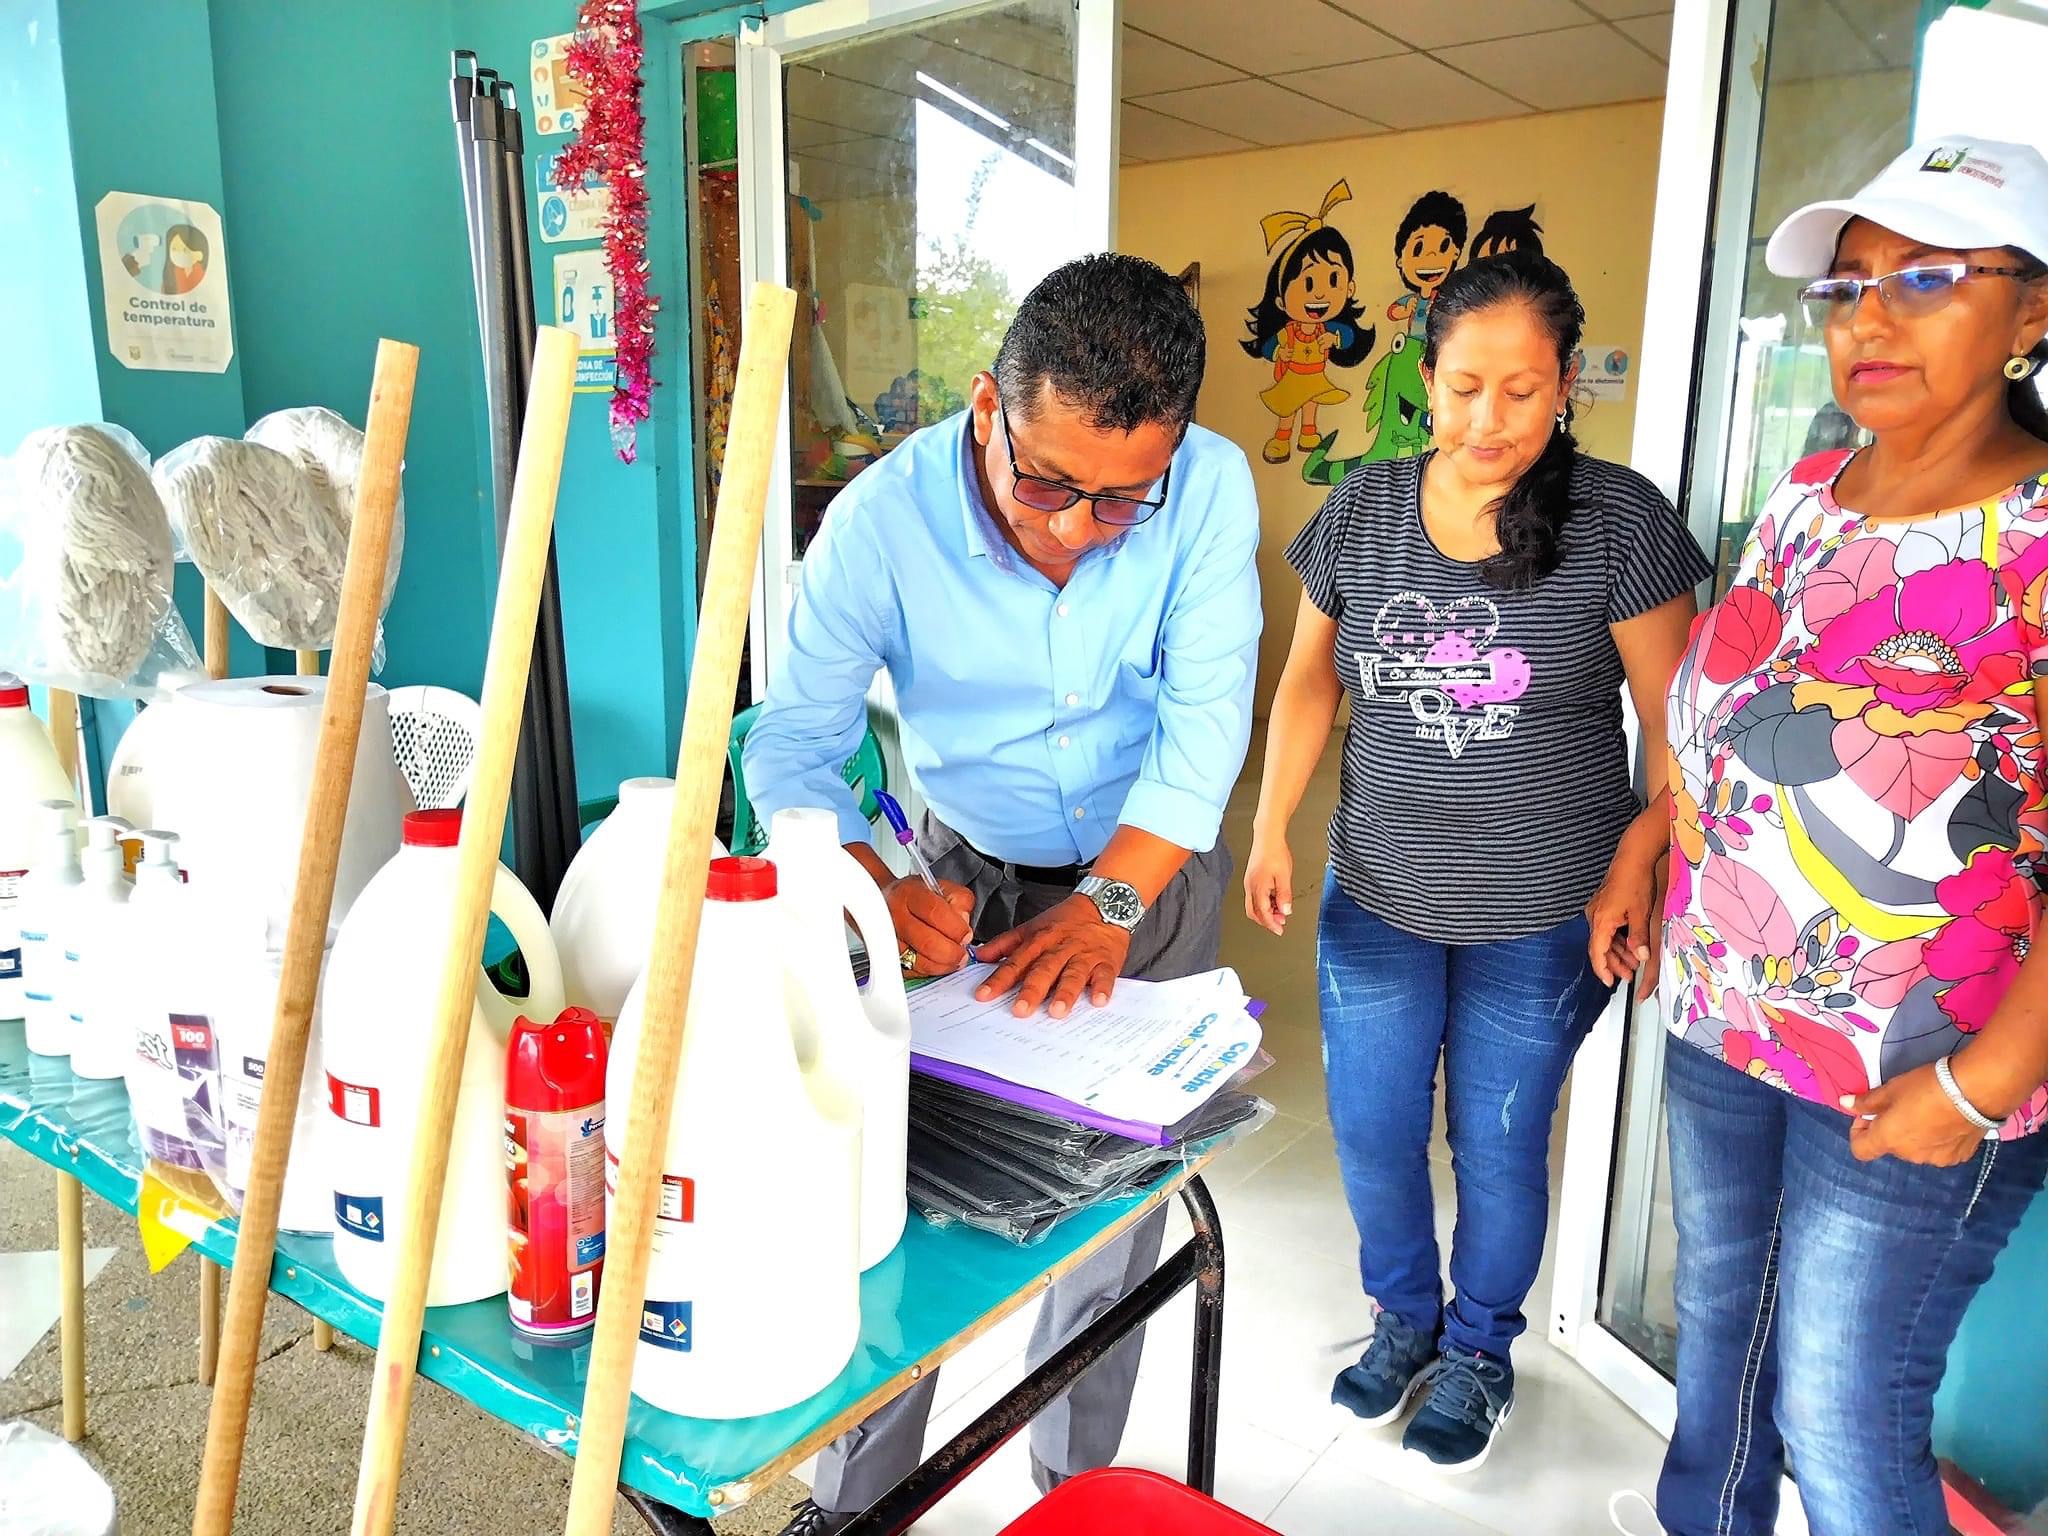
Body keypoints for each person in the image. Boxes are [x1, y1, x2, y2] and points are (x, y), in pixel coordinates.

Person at [742, 252, 1261, 1534]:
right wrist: (868, 883)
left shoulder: (1205, 491)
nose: (1075, 529)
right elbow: (789, 747)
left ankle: (1074, 1498)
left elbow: (1203, 733)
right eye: (1046, 484)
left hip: (1144, 880)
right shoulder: (879, 524)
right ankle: (855, 1504)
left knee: (1108, 1226)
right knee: (903, 1201)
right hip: (958, 879)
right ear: (987, 406)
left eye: (1120, 499)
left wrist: (1110, 907)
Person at [1246, 249, 1709, 1472]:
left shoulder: (1618, 521)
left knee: (1498, 1141)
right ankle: (1402, 1322)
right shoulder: (1360, 510)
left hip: (1548, 908)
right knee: (1371, 1128)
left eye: (1520, 389)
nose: (1487, 419)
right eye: (1461, 388)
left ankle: (1478, 1350)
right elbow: (1308, 682)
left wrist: (1640, 859)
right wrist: (1269, 823)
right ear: (1426, 377)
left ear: (1564, 383)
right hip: (1378, 893)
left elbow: (1676, 726)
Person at [1646, 134, 2048, 1536]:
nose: (1867, 317)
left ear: (2033, 310)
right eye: (1846, 286)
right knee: (1720, 1342)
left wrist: (1984, 1087)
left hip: (1918, 1064)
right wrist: (1652, 841)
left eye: (1925, 279)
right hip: (1726, 1014)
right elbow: (1725, 703)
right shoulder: (1807, 497)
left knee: (1840, 1412)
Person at [1242, 179, 1376, 464]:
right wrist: (1279, 352)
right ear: (1281, 299)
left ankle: (1308, 432)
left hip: (1315, 376)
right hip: (1293, 376)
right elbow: (1269, 347)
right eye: (1308, 282)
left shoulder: (1329, 328)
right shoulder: (1289, 330)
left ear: (1349, 288)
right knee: (1288, 406)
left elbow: (1347, 337)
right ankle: (1282, 438)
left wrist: (1335, 339)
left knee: (1312, 403)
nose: (1319, 293)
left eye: (1333, 280)